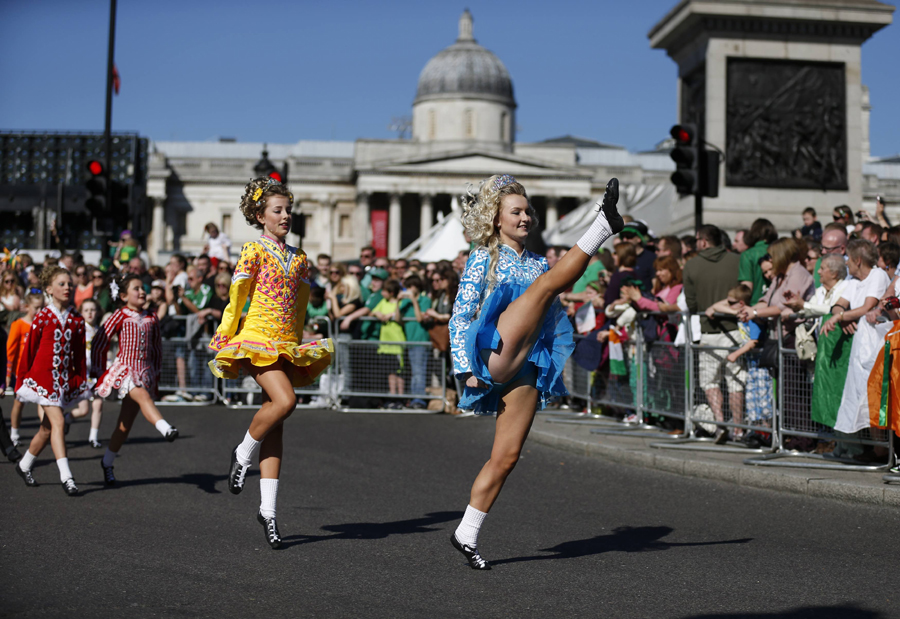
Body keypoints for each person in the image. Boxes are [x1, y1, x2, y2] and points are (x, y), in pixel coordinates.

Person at [448, 174, 622, 569]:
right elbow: (460, 315)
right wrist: (464, 369)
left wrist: (567, 351)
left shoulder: (539, 262)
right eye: (516, 211)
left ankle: (466, 532)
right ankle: (601, 225)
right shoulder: (483, 256)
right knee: (544, 288)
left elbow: (552, 316)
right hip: (493, 352)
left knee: (506, 457)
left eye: (528, 210)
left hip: (526, 361)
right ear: (496, 219)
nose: (525, 217)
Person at [209, 177, 333, 549]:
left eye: (288, 210)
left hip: (284, 343)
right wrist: (224, 334)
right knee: (286, 402)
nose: (285, 216)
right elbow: (238, 296)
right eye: (277, 210)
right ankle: (242, 451)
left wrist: (295, 342)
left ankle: (269, 512)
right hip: (256, 340)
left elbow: (300, 305)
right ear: (260, 215)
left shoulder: (299, 257)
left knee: (277, 422)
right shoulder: (253, 250)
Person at [91, 275, 179, 485]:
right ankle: (165, 428)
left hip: (144, 371)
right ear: (123, 296)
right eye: (136, 288)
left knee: (124, 426)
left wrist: (155, 373)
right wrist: (99, 370)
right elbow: (100, 340)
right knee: (140, 394)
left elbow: (157, 348)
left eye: (143, 288)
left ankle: (107, 462)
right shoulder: (119, 315)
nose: (142, 292)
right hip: (125, 369)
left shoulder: (152, 317)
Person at [13, 267, 90, 495]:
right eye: (62, 284)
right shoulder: (43, 316)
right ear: (49, 289)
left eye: (69, 284)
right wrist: (21, 381)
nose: (67, 288)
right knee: (58, 422)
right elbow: (29, 351)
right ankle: (67, 477)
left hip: (63, 382)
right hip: (43, 379)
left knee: (46, 430)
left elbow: (78, 356)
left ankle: (24, 465)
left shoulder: (77, 320)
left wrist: (81, 380)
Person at [825, 240, 891, 438]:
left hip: (876, 343)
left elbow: (867, 307)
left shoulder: (877, 276)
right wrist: (843, 317)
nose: (846, 264)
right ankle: (875, 450)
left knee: (876, 394)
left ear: (858, 260)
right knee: (861, 394)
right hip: (860, 346)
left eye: (849, 260)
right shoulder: (853, 282)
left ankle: (885, 451)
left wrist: (841, 316)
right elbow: (838, 305)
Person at [685, 225, 741, 443]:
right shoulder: (737, 260)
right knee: (736, 381)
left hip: (709, 329)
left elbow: (691, 304)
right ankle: (739, 428)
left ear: (703, 241)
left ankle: (719, 424)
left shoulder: (691, 265)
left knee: (710, 382)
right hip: (737, 329)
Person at [65, 299, 105, 448]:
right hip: (82, 374)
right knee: (83, 410)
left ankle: (93, 438)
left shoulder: (100, 331)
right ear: (81, 312)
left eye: (93, 310)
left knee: (98, 404)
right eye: (86, 310)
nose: (90, 313)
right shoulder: (78, 329)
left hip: (96, 374)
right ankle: (67, 419)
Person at [6, 292, 44, 446]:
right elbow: (10, 350)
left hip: (38, 370)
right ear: (27, 307)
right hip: (21, 371)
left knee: (43, 401)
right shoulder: (19, 325)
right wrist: (8, 373)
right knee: (19, 403)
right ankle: (14, 433)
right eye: (36, 308)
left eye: (42, 307)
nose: (39, 311)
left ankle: (47, 430)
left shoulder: (42, 324)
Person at [398, 275, 431, 409]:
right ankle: (413, 398)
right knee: (413, 372)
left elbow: (419, 318)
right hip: (408, 341)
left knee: (419, 372)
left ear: (417, 287)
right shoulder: (405, 302)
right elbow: (397, 319)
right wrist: (397, 301)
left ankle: (419, 400)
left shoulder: (425, 300)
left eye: (411, 286)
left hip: (420, 341)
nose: (409, 290)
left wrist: (414, 301)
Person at [372, 279, 405, 408]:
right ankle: (393, 397)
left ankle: (401, 398)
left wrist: (391, 312)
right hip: (385, 344)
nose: (382, 292)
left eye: (384, 290)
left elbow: (398, 316)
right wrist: (379, 314)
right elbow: (373, 311)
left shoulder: (400, 303)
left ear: (391, 292)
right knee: (390, 373)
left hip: (397, 344)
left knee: (399, 373)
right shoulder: (383, 302)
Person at [739, 218, 778, 305]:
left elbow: (746, 286)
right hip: (776, 306)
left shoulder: (748, 254)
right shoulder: (778, 251)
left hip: (754, 306)